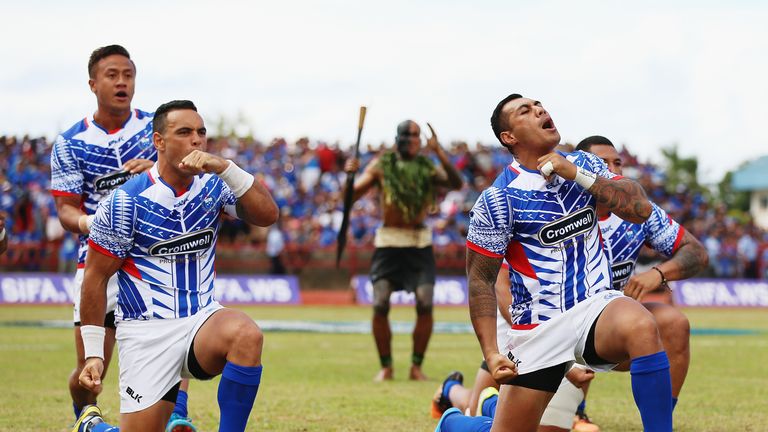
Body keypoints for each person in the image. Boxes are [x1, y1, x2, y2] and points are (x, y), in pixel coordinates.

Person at [433, 136, 709, 432]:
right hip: (534, 322)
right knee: (515, 421)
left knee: (670, 324)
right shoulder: (544, 205)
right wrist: (566, 362)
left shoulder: (635, 212)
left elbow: (696, 252)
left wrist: (659, 273)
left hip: (602, 321)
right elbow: (497, 285)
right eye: (603, 164)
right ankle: (463, 402)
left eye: (618, 163)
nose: (613, 170)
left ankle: (657, 418)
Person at [72, 100, 279, 432]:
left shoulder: (215, 185)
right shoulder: (125, 201)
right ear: (159, 142)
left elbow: (268, 215)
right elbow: (94, 278)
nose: (196, 140)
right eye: (184, 132)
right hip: (145, 334)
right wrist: (94, 354)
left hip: (200, 320)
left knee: (246, 334)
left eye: (201, 133)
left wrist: (226, 166)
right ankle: (92, 427)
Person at [51, 45, 196, 432]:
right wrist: (95, 223)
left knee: (176, 334)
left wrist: (158, 166)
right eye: (112, 75)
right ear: (93, 83)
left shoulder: (160, 130)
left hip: (152, 256)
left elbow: (188, 174)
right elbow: (65, 210)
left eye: (128, 75)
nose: (122, 82)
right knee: (89, 369)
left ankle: (177, 414)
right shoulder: (69, 142)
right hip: (98, 260)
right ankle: (85, 415)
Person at [343, 120, 463, 381]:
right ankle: (386, 366)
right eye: (406, 135)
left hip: (419, 241)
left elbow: (455, 183)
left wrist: (439, 151)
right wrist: (350, 175)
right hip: (389, 242)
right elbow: (349, 196)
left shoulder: (427, 167)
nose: (411, 140)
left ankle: (416, 366)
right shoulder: (381, 166)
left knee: (425, 303)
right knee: (380, 303)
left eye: (415, 136)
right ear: (397, 138)